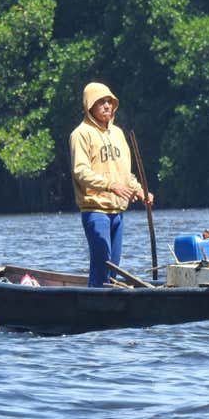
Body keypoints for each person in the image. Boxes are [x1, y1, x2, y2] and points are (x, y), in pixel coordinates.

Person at [69, 82, 153, 287]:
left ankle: (111, 308)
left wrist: (140, 191)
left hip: (118, 211)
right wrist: (109, 185)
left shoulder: (117, 134)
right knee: (102, 262)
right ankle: (94, 306)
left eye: (109, 101)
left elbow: (125, 173)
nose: (107, 106)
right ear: (89, 107)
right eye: (100, 102)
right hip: (95, 209)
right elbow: (80, 171)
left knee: (114, 267)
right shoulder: (81, 134)